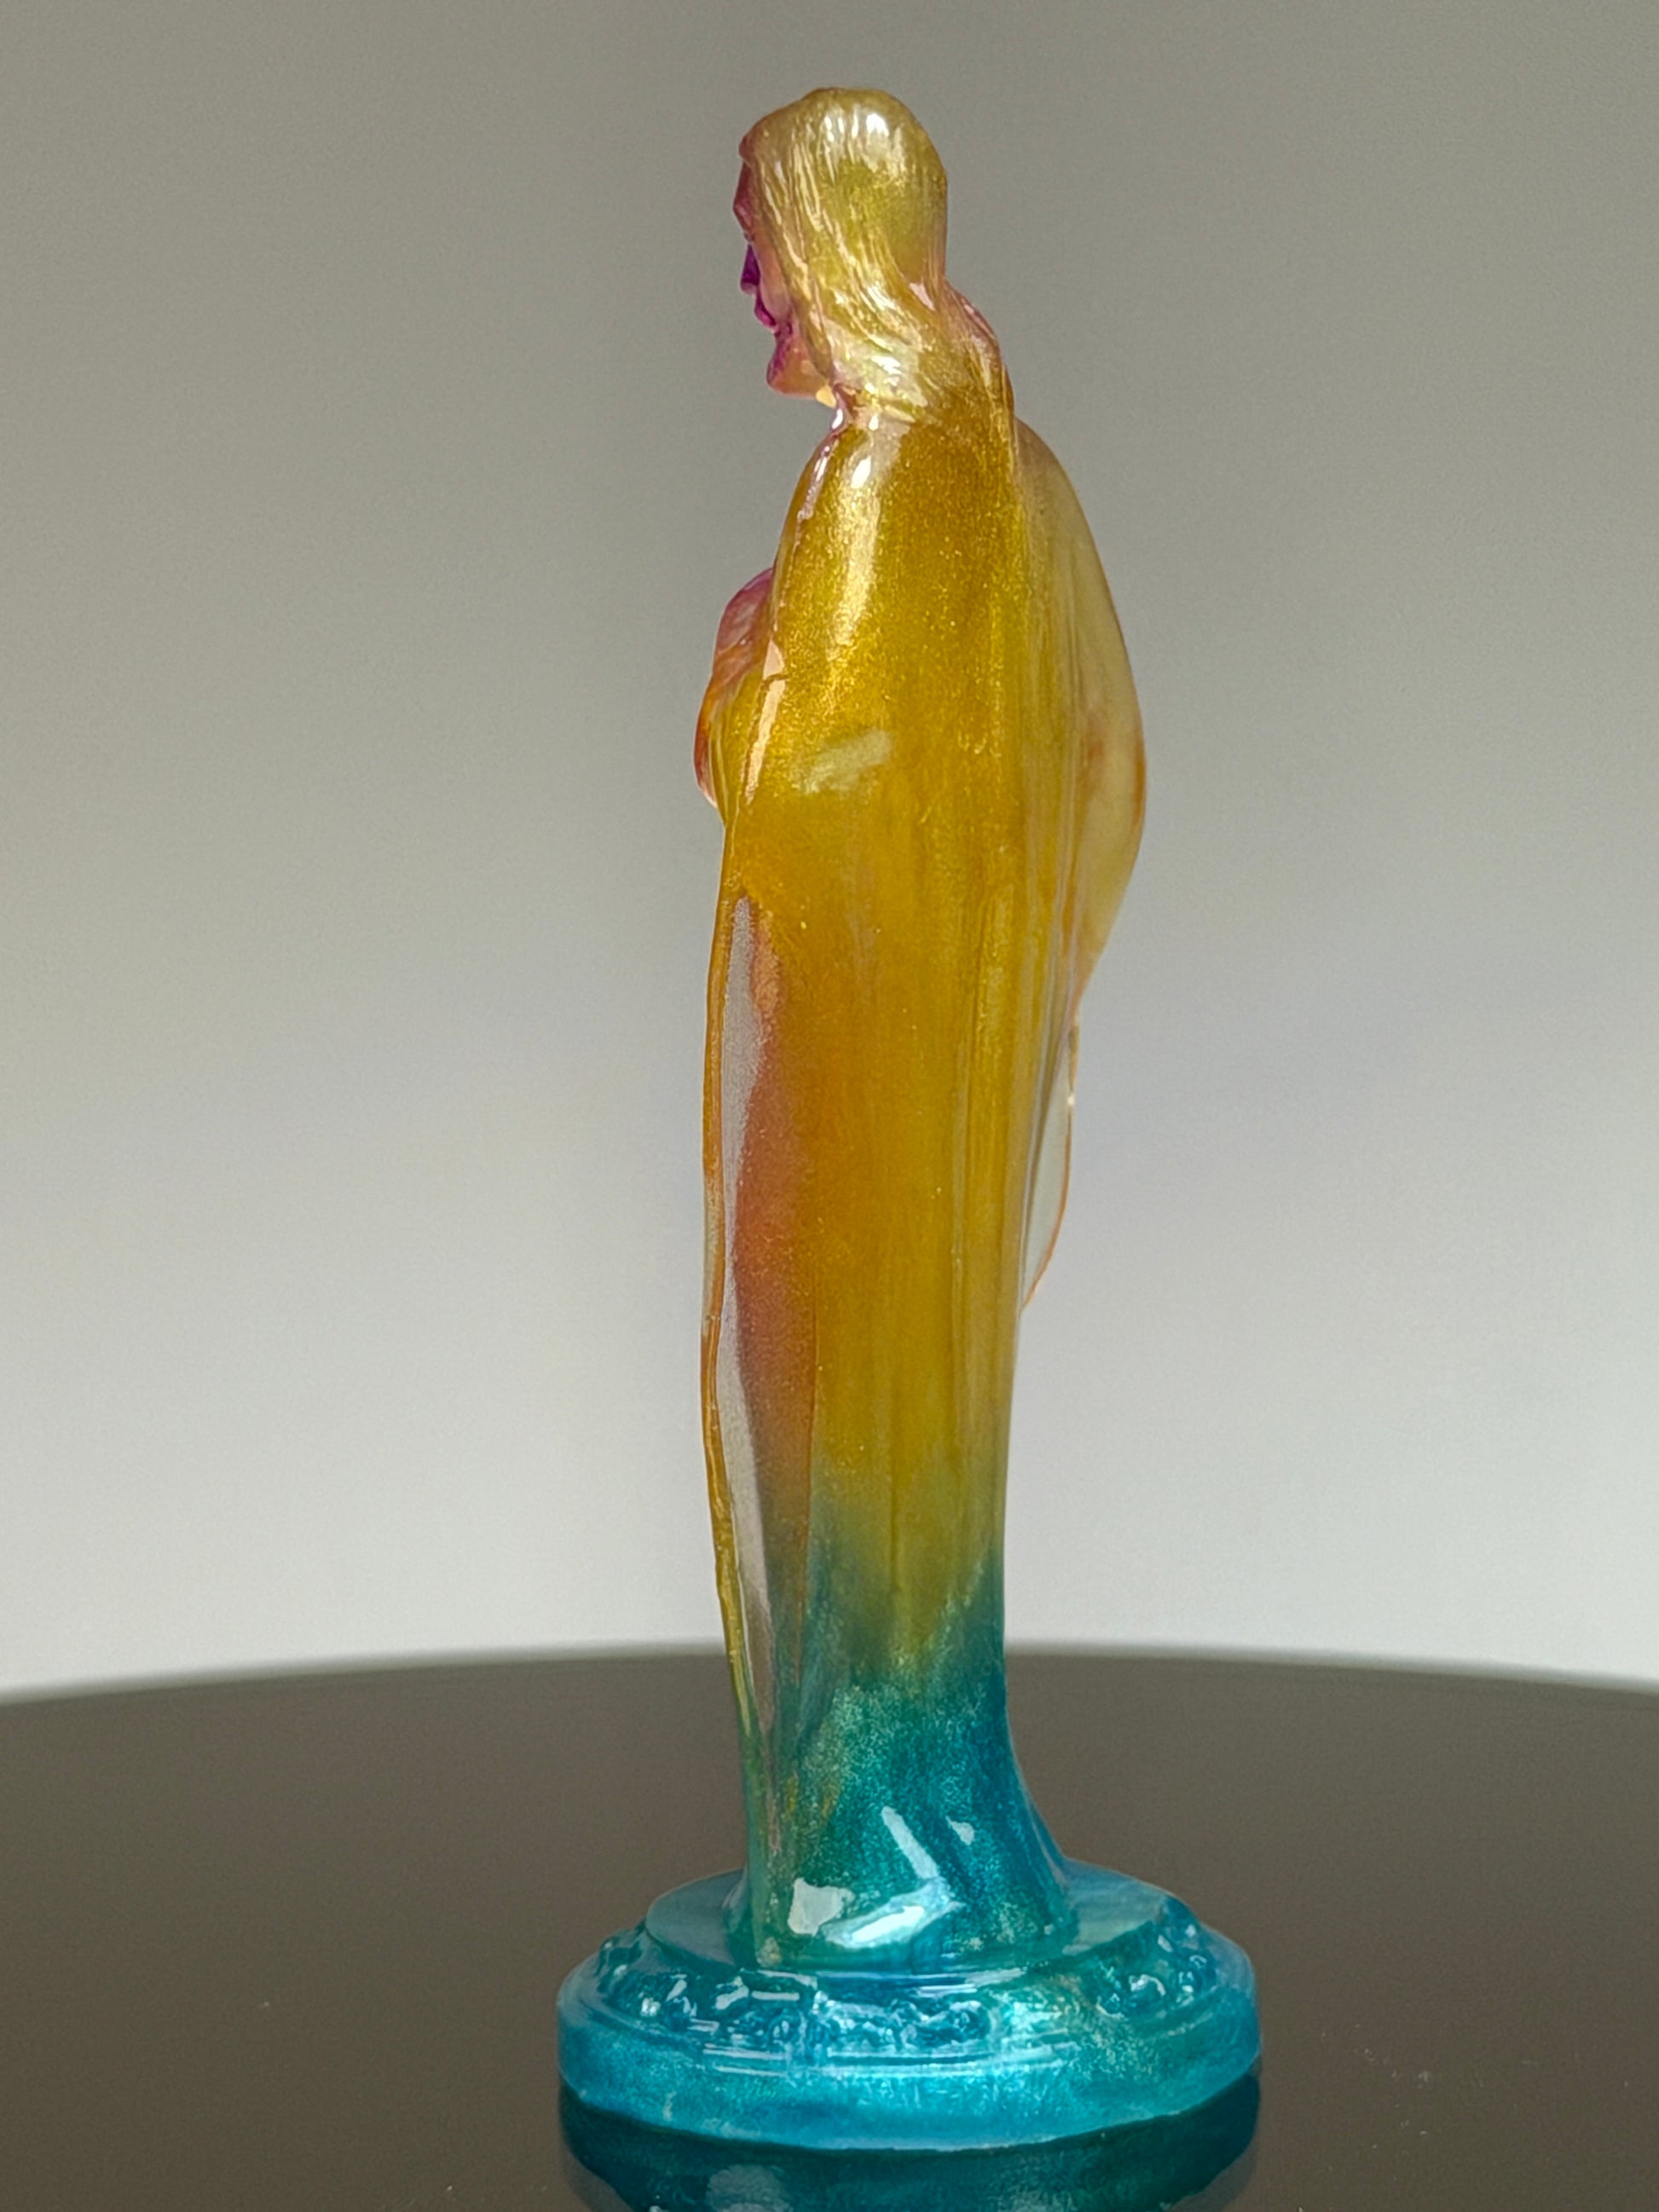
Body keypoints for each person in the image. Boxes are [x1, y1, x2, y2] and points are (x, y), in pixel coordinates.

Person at [695, 88, 1145, 1969]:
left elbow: (802, 786)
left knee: (825, 1428)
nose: (748, 276)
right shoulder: (1015, 473)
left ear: (831, 236)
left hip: (854, 1071)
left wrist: (742, 674)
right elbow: (1104, 771)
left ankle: (868, 1852)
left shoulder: (875, 476)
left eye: (760, 234)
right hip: (939, 1063)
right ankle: (941, 1824)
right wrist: (1001, 974)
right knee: (918, 1443)